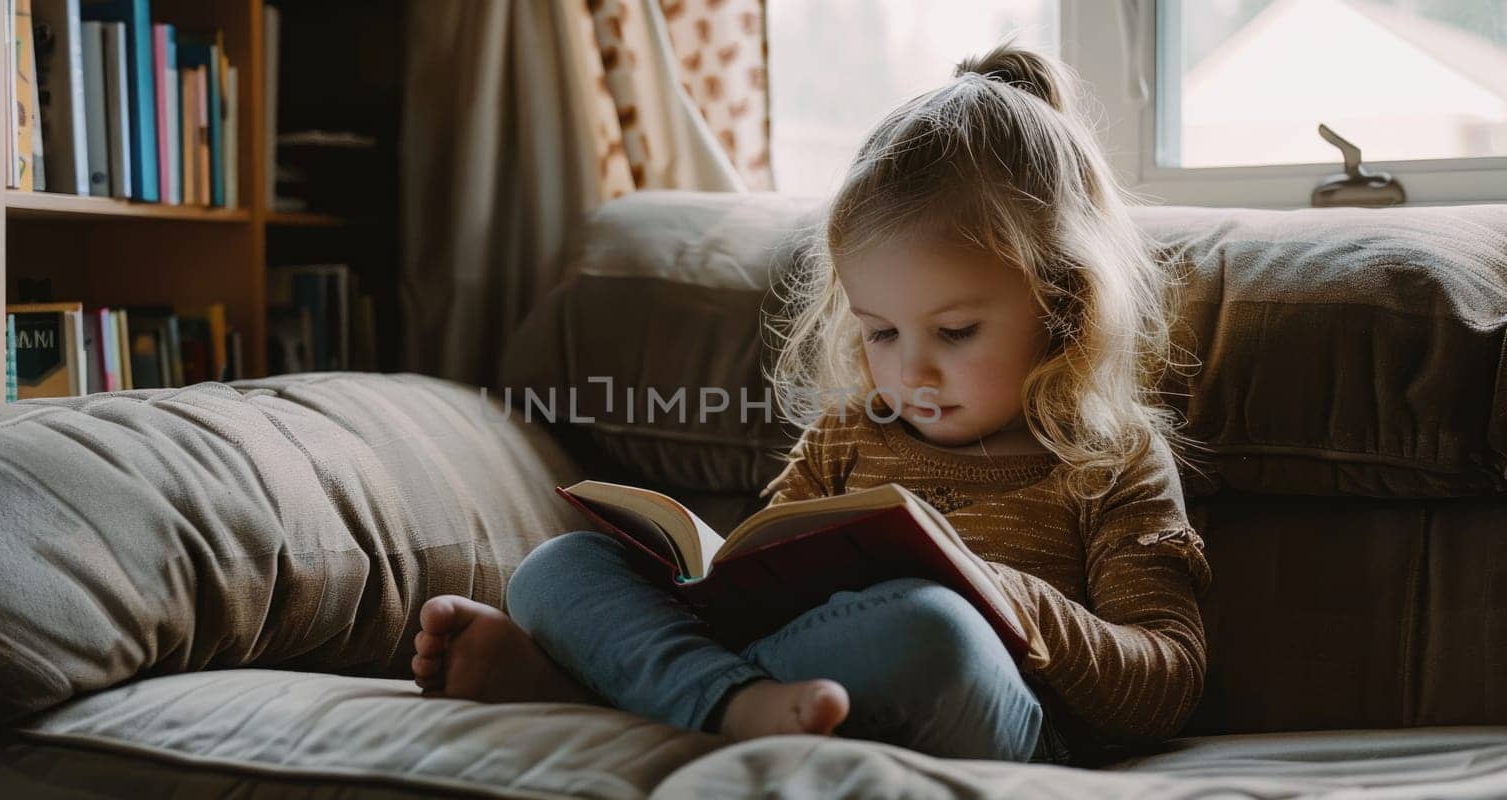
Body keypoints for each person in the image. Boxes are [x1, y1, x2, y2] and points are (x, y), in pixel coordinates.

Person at [410, 38, 1214, 767]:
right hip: (798, 682)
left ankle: (611, 692)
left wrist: (1010, 598)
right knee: (560, 566)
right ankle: (727, 704)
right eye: (881, 332)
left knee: (929, 626)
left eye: (957, 331)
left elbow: (1168, 681)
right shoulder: (850, 438)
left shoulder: (1111, 461)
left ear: (1063, 304)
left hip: (985, 712)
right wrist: (707, 575)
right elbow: (749, 593)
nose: (912, 372)